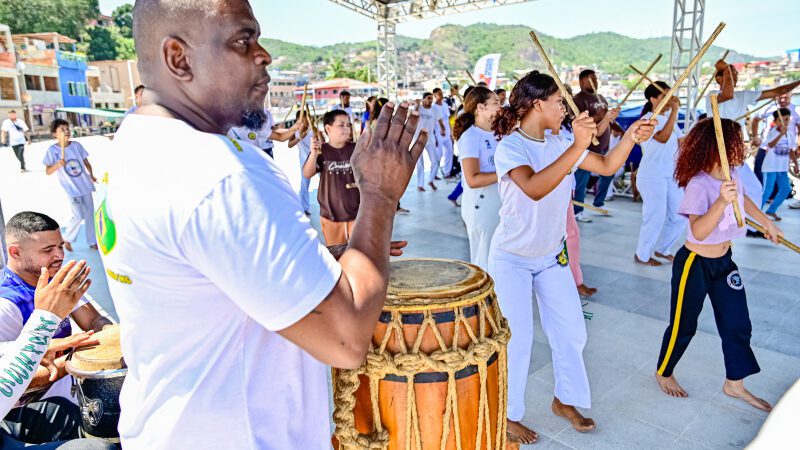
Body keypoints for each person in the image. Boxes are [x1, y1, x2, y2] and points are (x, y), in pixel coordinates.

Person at [99, 2, 427, 448]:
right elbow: (346, 340)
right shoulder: (218, 176)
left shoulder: (137, 140)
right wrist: (381, 195)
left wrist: (322, 260)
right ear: (179, 58)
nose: (264, 54)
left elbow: (208, 271)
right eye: (242, 40)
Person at [489, 71, 654, 442]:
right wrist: (576, 145)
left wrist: (630, 136)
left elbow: (608, 166)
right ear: (537, 104)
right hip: (511, 257)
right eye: (559, 101)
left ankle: (565, 399)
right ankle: (508, 413)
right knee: (517, 338)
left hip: (550, 256)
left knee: (572, 331)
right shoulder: (510, 147)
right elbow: (533, 187)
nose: (565, 107)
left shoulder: (562, 139)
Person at [654, 118, 782, 413]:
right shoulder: (699, 184)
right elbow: (698, 231)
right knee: (684, 325)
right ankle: (664, 372)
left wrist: (765, 224)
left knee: (738, 323)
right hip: (694, 265)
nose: (745, 146)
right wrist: (721, 202)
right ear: (720, 147)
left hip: (724, 262)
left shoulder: (731, 174)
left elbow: (744, 200)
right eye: (738, 141)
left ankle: (734, 383)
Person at [0, 212, 113, 445]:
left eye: (60, 246)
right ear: (15, 252)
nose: (59, 255)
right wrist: (78, 358)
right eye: (48, 250)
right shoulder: (6, 305)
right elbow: (15, 383)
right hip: (38, 413)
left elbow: (93, 321)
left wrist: (114, 340)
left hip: (77, 392)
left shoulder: (53, 280)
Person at [634, 82, 686, 266]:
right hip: (651, 175)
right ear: (653, 99)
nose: (669, 99)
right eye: (664, 95)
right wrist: (674, 111)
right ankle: (642, 255)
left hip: (669, 174)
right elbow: (663, 138)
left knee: (681, 214)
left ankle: (663, 249)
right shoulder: (648, 120)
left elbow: (682, 142)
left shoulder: (668, 119)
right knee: (654, 216)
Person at [453, 86, 501, 270]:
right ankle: (484, 299)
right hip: (482, 204)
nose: (500, 107)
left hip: (499, 201)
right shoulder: (471, 137)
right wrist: (506, 173)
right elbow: (472, 179)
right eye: (495, 103)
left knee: (498, 258)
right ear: (481, 107)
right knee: (485, 260)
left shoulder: (498, 132)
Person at [571, 70, 621, 222]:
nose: (595, 81)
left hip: (603, 146)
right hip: (587, 148)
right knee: (581, 181)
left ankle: (598, 202)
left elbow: (607, 121)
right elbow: (577, 120)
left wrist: (618, 127)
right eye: (591, 79)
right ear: (581, 82)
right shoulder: (578, 100)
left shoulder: (601, 98)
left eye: (596, 78)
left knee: (608, 173)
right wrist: (600, 116)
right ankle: (577, 210)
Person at [302, 110, 357, 245]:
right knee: (336, 254)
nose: (346, 129)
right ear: (328, 128)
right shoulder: (322, 151)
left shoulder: (357, 149)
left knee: (359, 253)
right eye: (341, 125)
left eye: (348, 125)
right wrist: (314, 154)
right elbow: (307, 174)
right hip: (330, 214)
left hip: (357, 213)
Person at [43, 120, 98, 252]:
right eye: (62, 129)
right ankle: (67, 239)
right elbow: (48, 172)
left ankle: (92, 241)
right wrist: (57, 165)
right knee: (78, 215)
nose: (66, 131)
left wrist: (91, 176)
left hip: (85, 185)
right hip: (71, 188)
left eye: (67, 128)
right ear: (54, 134)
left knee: (90, 214)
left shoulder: (77, 146)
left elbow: (86, 163)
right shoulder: (52, 151)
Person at [760, 108, 796, 221]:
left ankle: (771, 210)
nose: (785, 122)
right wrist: (780, 134)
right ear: (775, 121)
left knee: (786, 189)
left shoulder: (790, 133)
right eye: (782, 120)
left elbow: (791, 150)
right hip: (771, 167)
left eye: (787, 120)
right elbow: (770, 145)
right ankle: (756, 213)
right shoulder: (772, 131)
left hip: (782, 168)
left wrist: (795, 163)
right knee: (767, 191)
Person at [228, 106, 302, 158]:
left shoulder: (256, 125)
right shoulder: (225, 128)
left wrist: (294, 128)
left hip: (261, 157)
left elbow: (280, 136)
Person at [415, 92, 444, 191]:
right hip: (418, 139)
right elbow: (413, 116)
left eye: (432, 98)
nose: (431, 100)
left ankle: (431, 180)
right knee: (420, 163)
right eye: (428, 98)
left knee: (435, 160)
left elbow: (440, 121)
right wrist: (417, 105)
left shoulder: (434, 110)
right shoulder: (419, 108)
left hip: (430, 139)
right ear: (424, 99)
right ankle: (420, 185)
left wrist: (443, 129)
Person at [288, 110, 313, 216]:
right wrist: (299, 138)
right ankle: (304, 207)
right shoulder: (295, 132)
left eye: (306, 119)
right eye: (301, 120)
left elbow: (322, 141)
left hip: (316, 157)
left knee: (325, 181)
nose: (304, 122)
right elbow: (289, 144)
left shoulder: (313, 129)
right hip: (304, 159)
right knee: (304, 183)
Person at [433, 88, 455, 178]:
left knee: (449, 152)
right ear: (434, 95)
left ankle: (447, 173)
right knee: (439, 154)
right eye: (439, 94)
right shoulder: (433, 107)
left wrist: (451, 133)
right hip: (438, 134)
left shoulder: (445, 105)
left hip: (447, 134)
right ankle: (433, 174)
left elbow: (448, 120)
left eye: (441, 93)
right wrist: (434, 136)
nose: (441, 95)